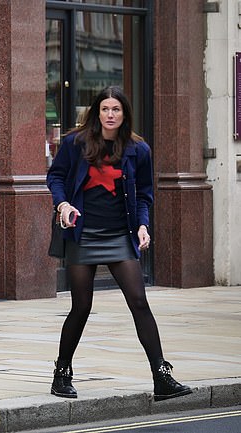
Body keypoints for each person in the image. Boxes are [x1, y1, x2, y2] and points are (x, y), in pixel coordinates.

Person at [46, 86, 192, 401]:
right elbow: (55, 177)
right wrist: (63, 205)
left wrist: (143, 225)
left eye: (116, 109)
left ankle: (161, 375)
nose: (110, 115)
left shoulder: (138, 150)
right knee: (81, 306)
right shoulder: (76, 143)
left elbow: (143, 194)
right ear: (96, 113)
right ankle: (62, 373)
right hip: (82, 234)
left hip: (119, 234)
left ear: (124, 114)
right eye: (105, 109)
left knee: (139, 301)